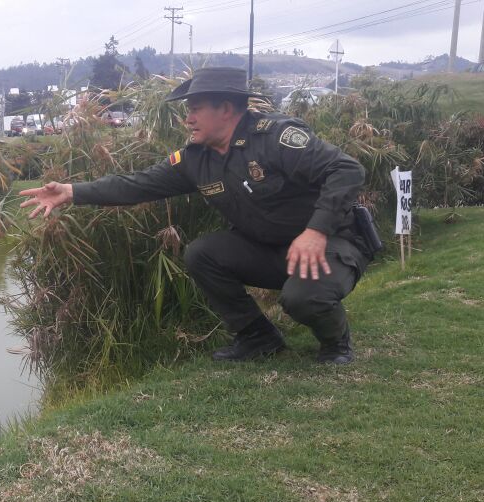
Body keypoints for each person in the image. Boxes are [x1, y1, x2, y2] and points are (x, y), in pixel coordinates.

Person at [19, 67, 371, 365]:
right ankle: (258, 337)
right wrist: (72, 192)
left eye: (196, 109)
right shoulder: (196, 159)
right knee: (202, 253)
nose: (187, 118)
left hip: (329, 244)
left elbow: (346, 170)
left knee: (303, 299)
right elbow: (138, 184)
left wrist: (316, 231)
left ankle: (335, 342)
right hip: (272, 250)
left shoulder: (275, 137)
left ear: (226, 109)